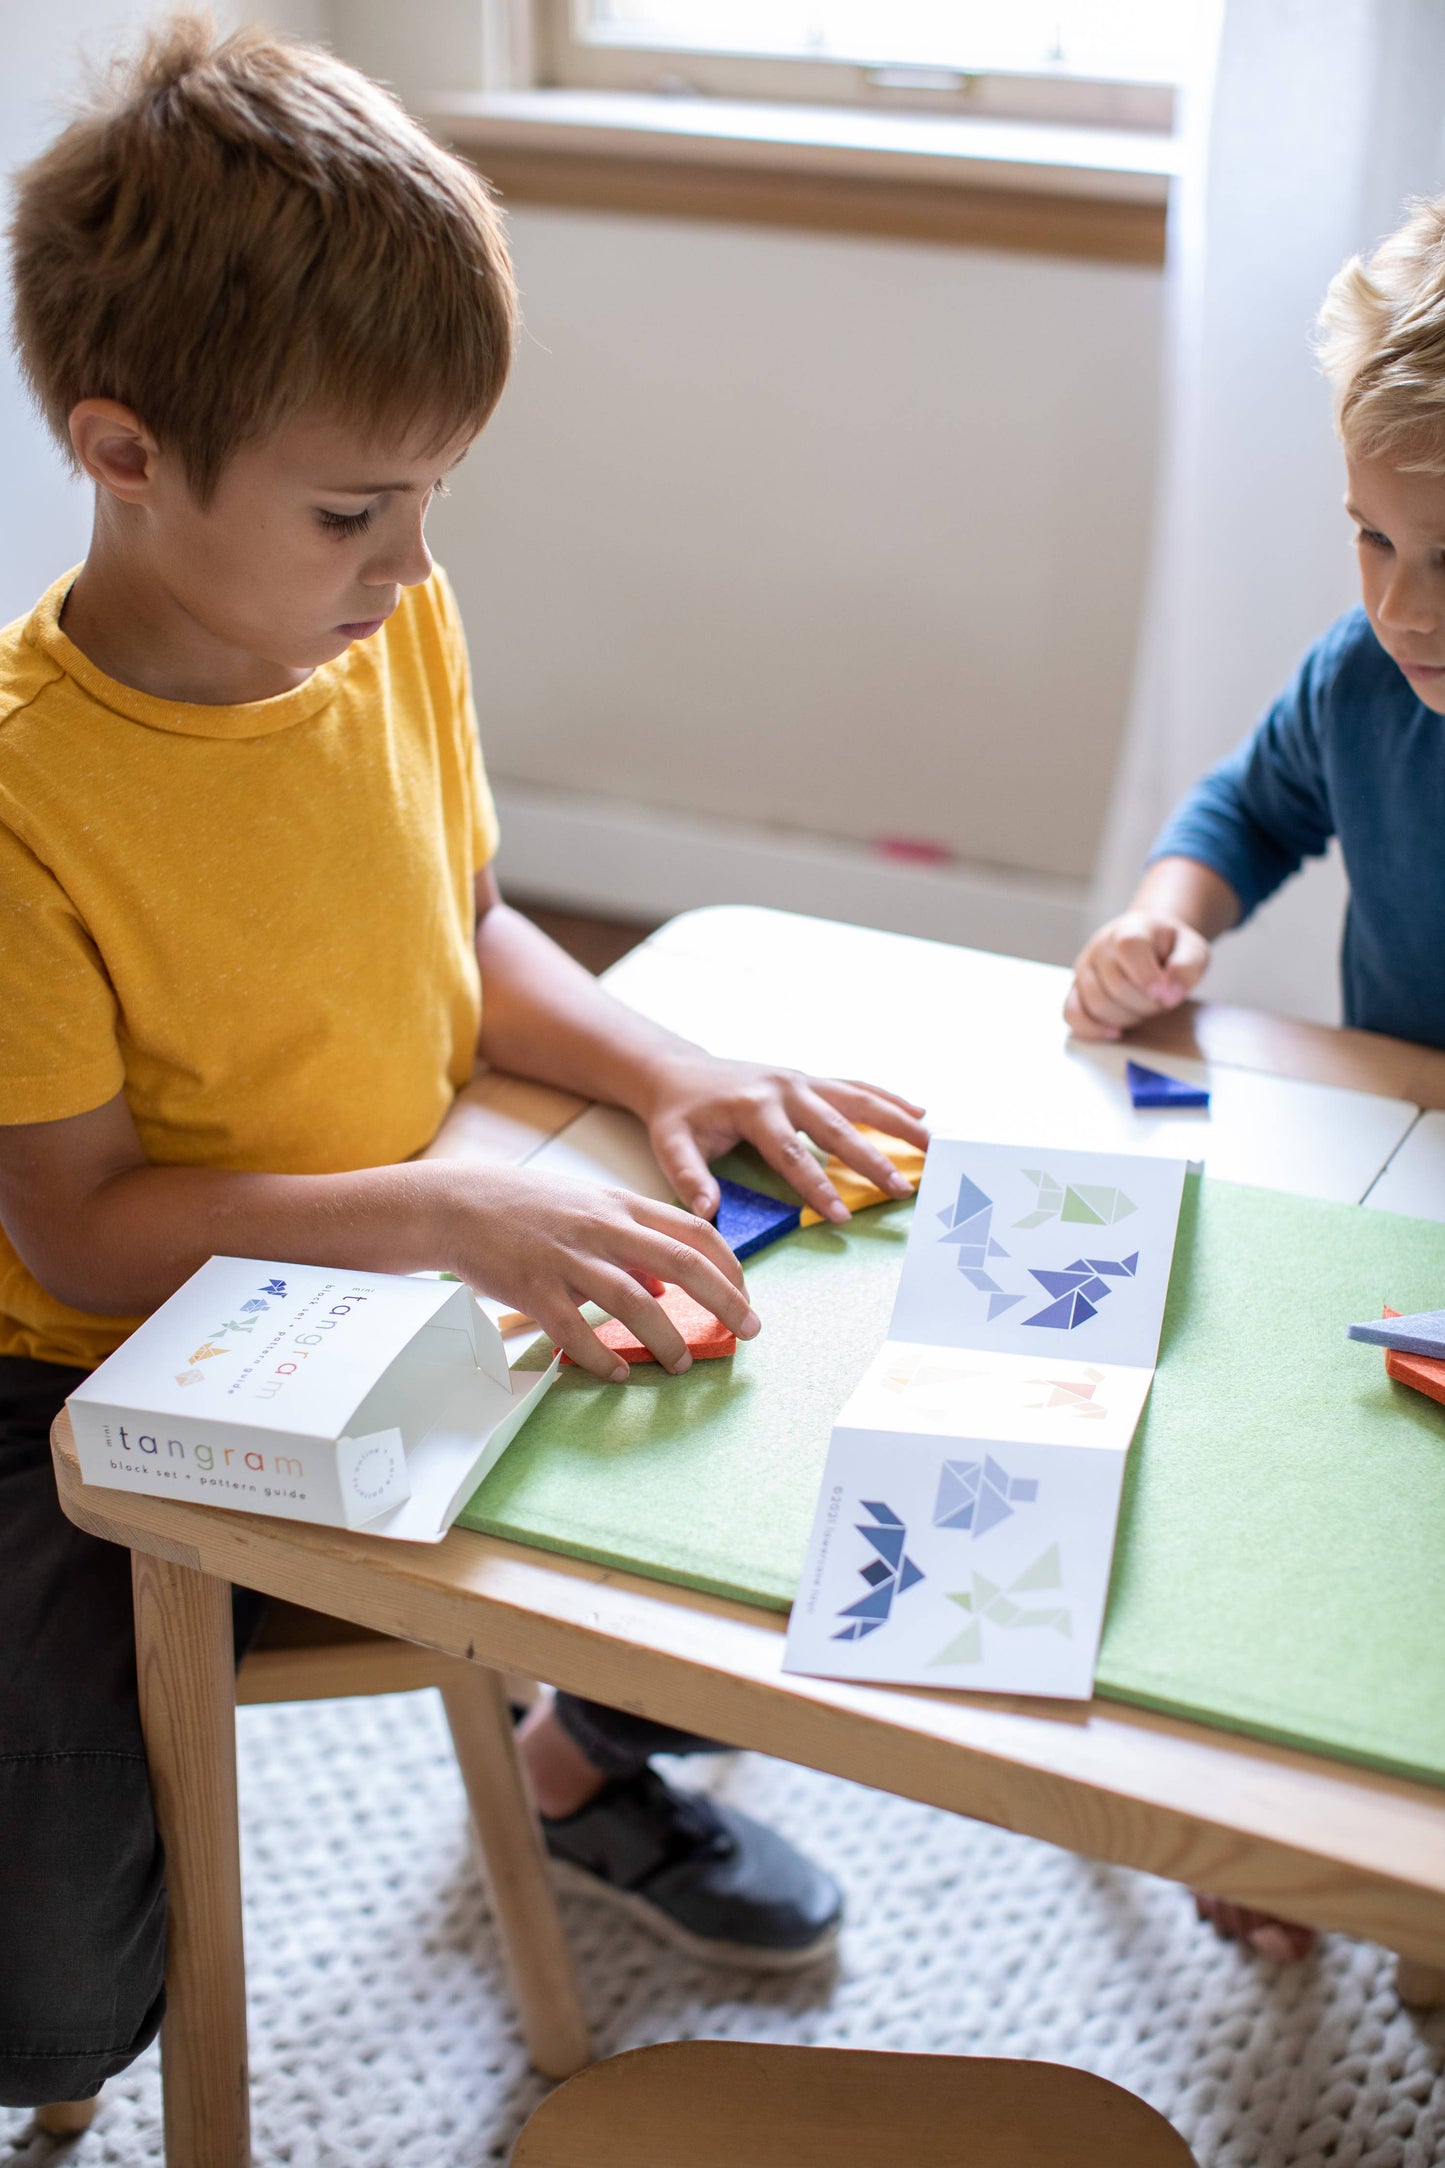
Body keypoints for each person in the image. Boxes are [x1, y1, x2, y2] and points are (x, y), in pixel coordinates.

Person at [0, 18, 930, 2109]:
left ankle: (582, 1764)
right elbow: (71, 1228)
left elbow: (465, 924)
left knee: (801, 1456)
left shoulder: (381, 617)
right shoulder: (26, 800)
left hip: (389, 1278)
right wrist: (451, 1209)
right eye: (356, 509)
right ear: (122, 452)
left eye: (431, 500)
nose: (412, 563)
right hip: (84, 1383)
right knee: (56, 2009)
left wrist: (663, 1062)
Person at [1066, 193, 1445, 1959]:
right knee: (1289, 1490)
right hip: (1388, 1176)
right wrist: (1162, 920)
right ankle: (1256, 1811)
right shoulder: (1364, 679)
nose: (1401, 606)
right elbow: (1240, 809)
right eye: (1369, 542)